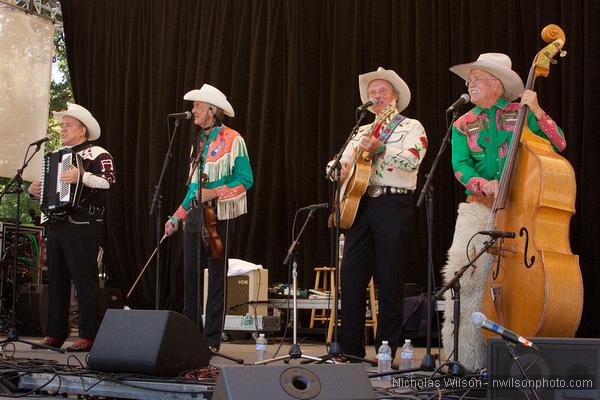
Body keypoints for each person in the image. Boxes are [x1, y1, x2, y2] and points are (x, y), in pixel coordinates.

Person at [441, 53, 566, 370]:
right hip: (477, 208)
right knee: (465, 279)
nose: (470, 83)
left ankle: (520, 361)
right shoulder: (462, 123)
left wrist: (536, 108)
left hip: (522, 212)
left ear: (497, 83)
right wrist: (484, 184)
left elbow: (559, 143)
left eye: (477, 78)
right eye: (470, 79)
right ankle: (465, 361)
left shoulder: (521, 114)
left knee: (518, 286)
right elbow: (459, 166)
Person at [334, 67, 427, 359]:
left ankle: (386, 348)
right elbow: (336, 162)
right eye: (371, 93)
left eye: (381, 91)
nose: (375, 97)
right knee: (350, 277)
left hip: (393, 204)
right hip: (360, 203)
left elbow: (413, 161)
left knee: (389, 278)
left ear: (395, 96)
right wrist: (338, 170)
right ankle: (350, 350)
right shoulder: (361, 130)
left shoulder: (411, 126)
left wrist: (381, 149)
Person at [164, 84, 253, 351]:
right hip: (194, 217)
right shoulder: (198, 143)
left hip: (220, 215)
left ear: (212, 110)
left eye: (197, 106)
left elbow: (246, 180)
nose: (192, 111)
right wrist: (177, 217)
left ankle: (212, 339)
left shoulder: (234, 138)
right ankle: (191, 336)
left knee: (216, 278)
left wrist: (215, 191)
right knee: (190, 276)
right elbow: (192, 189)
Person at [29, 104, 116, 352]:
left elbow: (109, 183)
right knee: (56, 277)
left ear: (82, 130)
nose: (62, 129)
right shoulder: (56, 155)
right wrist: (35, 191)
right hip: (57, 222)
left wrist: (82, 177)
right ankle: (55, 333)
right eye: (62, 125)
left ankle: (88, 333)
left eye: (68, 125)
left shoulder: (98, 153)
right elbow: (51, 190)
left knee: (84, 277)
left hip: (83, 222)